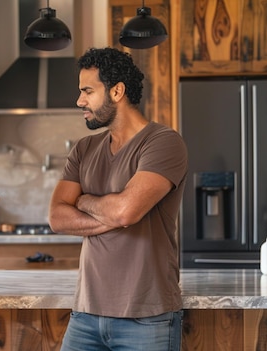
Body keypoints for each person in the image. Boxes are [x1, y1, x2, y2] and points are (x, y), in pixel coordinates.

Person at [48, 47, 187, 351]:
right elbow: (57, 218)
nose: (79, 101)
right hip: (85, 313)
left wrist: (83, 201)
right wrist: (112, 214)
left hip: (146, 317)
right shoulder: (84, 149)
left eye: (87, 91)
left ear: (117, 91)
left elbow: (126, 212)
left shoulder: (163, 142)